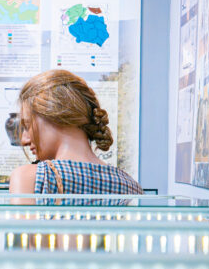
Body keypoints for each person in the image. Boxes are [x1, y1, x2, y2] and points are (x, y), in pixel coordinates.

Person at [8, 69, 142, 194]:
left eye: (27, 125)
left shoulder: (30, 178)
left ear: (57, 116)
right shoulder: (130, 186)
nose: (24, 140)